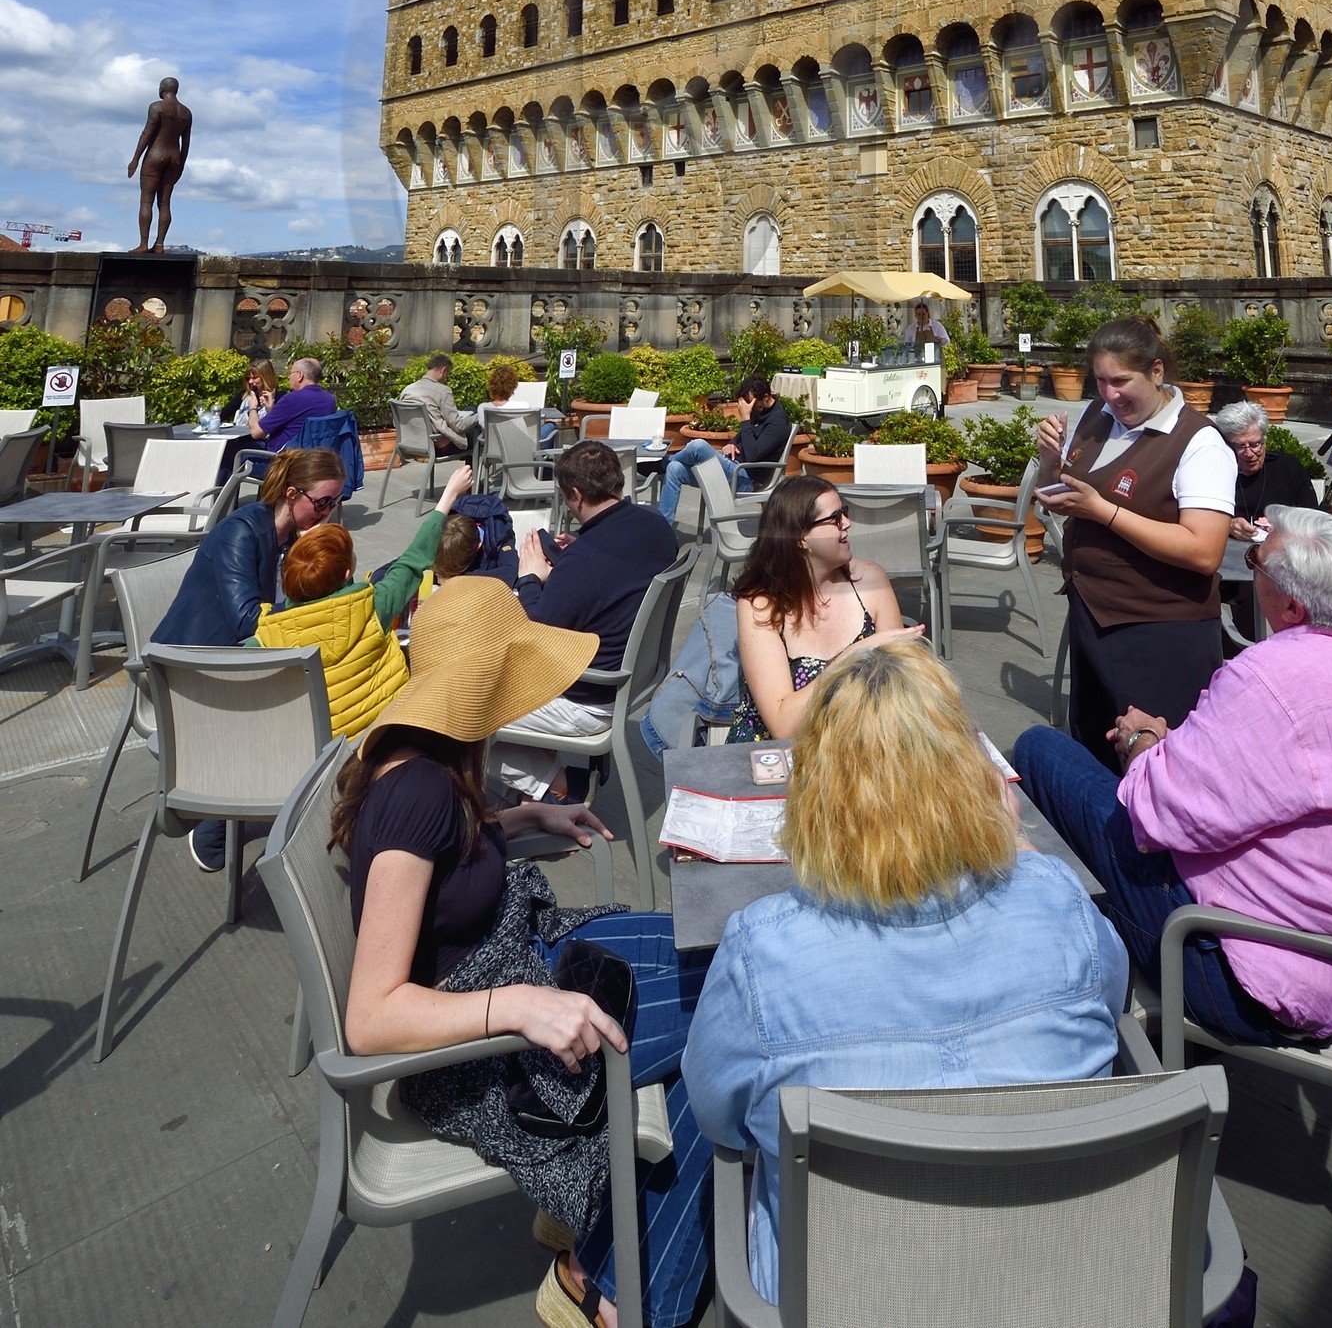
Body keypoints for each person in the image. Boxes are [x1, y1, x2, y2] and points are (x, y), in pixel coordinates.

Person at [683, 640, 1126, 1307]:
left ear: (817, 792)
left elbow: (718, 1118)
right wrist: (1023, 854)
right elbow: (1111, 1003)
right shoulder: (1058, 903)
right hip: (1057, 1287)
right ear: (968, 773)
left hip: (848, 1296)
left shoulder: (762, 957)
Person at [333, 574, 713, 1328]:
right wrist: (519, 1005)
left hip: (524, 955)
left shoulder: (435, 758)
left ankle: (606, 1243)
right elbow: (369, 1018)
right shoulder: (419, 793)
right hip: (479, 1047)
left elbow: (442, 869)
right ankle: (601, 1286)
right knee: (730, 1020)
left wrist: (518, 816)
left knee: (721, 966)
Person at [1015, 509, 1332, 1043]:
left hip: (1243, 972)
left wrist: (1144, 741)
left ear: (1292, 605)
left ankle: (1054, 980)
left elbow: (1158, 814)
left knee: (1040, 750)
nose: (1246, 573)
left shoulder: (1272, 678)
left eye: (1255, 564)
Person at [1032, 317, 1236, 761]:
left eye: (1121, 381)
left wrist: (1103, 512)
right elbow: (1066, 494)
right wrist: (1049, 462)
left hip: (1160, 632)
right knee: (1096, 749)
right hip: (1094, 616)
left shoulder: (1199, 442)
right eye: (1101, 381)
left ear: (1157, 372)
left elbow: (1204, 551)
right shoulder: (1097, 416)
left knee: (1158, 762)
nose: (1110, 394)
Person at [154, 445, 346, 871]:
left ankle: (297, 810)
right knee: (305, 719)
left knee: (328, 702)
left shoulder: (290, 539)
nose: (329, 513)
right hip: (189, 675)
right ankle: (214, 825)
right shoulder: (242, 532)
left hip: (239, 663)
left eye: (335, 502)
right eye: (322, 503)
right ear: (293, 494)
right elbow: (247, 621)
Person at [495, 441, 678, 797]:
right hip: (629, 678)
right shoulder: (655, 524)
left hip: (586, 698)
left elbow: (535, 634)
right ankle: (547, 767)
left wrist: (530, 576)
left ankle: (560, 788)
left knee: (456, 708)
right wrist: (572, 555)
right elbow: (615, 573)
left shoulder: (586, 561)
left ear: (576, 495)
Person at [248, 463, 476, 737]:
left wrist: (307, 552)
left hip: (324, 754)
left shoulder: (268, 637)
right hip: (383, 737)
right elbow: (415, 559)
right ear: (347, 573)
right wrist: (449, 494)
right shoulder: (372, 606)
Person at [723, 473, 920, 742]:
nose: (848, 524)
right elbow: (784, 725)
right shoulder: (761, 605)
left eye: (845, 513)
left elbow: (897, 691)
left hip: (860, 745)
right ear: (800, 538)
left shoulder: (871, 581)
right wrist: (858, 653)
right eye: (835, 518)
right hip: (776, 756)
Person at [655, 377, 790, 525]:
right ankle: (665, 529)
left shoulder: (778, 422)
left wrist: (745, 419)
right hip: (731, 465)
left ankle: (659, 463)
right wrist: (732, 443)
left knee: (698, 446)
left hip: (745, 477)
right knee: (674, 469)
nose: (748, 408)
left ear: (765, 397)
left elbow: (753, 455)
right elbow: (742, 435)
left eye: (751, 403)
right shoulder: (760, 409)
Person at [1213, 400, 1319, 531]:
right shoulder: (1213, 471)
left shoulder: (1287, 468)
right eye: (1240, 446)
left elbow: (1312, 518)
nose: (1249, 453)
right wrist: (1228, 525)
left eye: (1255, 444)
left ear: (1264, 441)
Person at [126, 74, 192, 254]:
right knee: (165, 203)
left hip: (155, 156)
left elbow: (147, 133)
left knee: (146, 201)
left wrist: (135, 159)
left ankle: (143, 244)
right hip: (174, 158)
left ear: (162, 88)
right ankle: (160, 244)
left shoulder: (156, 107)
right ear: (176, 90)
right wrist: (181, 165)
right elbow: (186, 144)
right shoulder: (186, 112)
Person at [248, 353, 336, 450]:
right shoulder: (329, 399)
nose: (289, 377)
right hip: (314, 457)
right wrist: (271, 410)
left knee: (236, 449)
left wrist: (252, 407)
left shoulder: (291, 399)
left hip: (284, 459)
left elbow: (256, 432)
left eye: (291, 373)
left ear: (300, 376)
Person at [401, 353, 477, 456]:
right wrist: (480, 415)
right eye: (447, 374)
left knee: (470, 409)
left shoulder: (407, 390)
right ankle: (469, 472)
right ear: (443, 370)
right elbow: (458, 426)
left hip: (411, 443)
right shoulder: (443, 391)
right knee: (476, 436)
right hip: (438, 445)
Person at [233, 360, 278, 429]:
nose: (250, 381)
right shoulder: (244, 395)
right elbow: (224, 413)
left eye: (254, 378)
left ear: (265, 377)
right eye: (248, 378)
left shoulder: (279, 396)